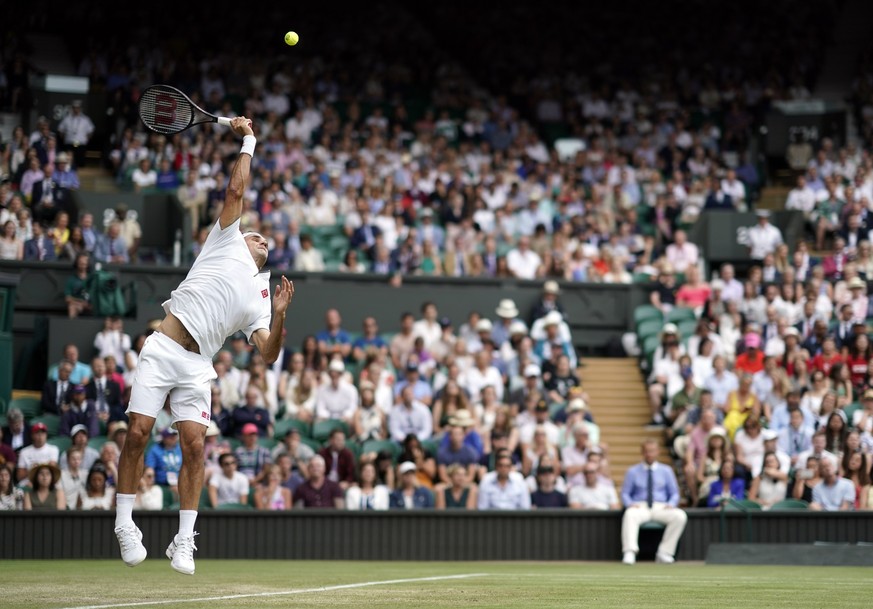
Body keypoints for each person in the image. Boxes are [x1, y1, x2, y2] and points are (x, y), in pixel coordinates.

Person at [113, 116, 295, 575]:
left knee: (195, 447)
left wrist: (279, 316)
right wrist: (249, 140)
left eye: (268, 242)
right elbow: (236, 192)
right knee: (137, 434)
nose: (263, 240)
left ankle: (183, 540)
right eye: (259, 235)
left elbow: (268, 354)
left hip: (198, 365)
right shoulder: (225, 238)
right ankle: (123, 524)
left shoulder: (261, 297)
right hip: (164, 346)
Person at [620, 439, 687, 564]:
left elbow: (674, 493)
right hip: (640, 506)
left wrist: (671, 504)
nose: (649, 454)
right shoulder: (632, 471)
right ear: (642, 452)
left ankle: (665, 552)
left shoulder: (666, 470)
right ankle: (629, 551)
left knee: (680, 516)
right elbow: (625, 493)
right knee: (629, 514)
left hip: (661, 506)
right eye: (646, 451)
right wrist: (629, 503)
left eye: (652, 451)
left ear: (657, 452)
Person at [56, 99, 95, 168]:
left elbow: (91, 131)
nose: (76, 109)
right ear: (72, 108)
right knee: (69, 161)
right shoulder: (67, 119)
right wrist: (65, 138)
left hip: (81, 143)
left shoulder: (85, 119)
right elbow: (60, 130)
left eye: (78, 108)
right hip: (69, 143)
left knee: (80, 162)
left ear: (80, 109)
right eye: (74, 108)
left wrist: (86, 139)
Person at [64, 253, 93, 318]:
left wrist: (89, 304)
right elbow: (67, 298)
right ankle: (72, 326)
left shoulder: (92, 279)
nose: (82, 264)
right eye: (80, 262)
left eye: (84, 262)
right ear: (77, 263)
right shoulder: (71, 280)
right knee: (72, 307)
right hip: (78, 304)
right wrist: (81, 302)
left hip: (91, 305)